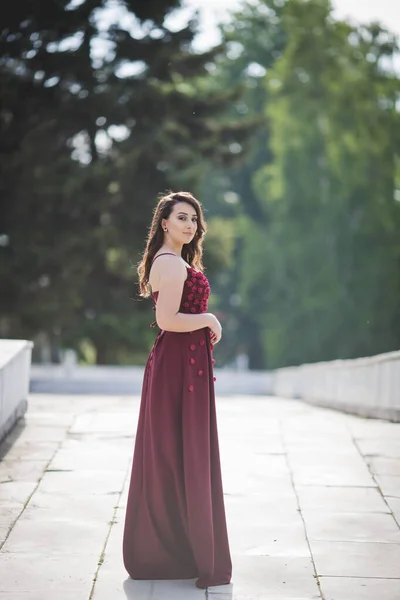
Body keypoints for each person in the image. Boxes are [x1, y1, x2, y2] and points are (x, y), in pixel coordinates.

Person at [122, 191, 232, 590]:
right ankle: (172, 551)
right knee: (177, 454)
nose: (190, 225)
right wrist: (209, 318)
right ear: (164, 222)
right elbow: (168, 320)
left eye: (195, 219)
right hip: (177, 370)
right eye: (182, 217)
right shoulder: (170, 265)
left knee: (180, 454)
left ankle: (179, 550)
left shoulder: (175, 261)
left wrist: (203, 323)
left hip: (183, 366)